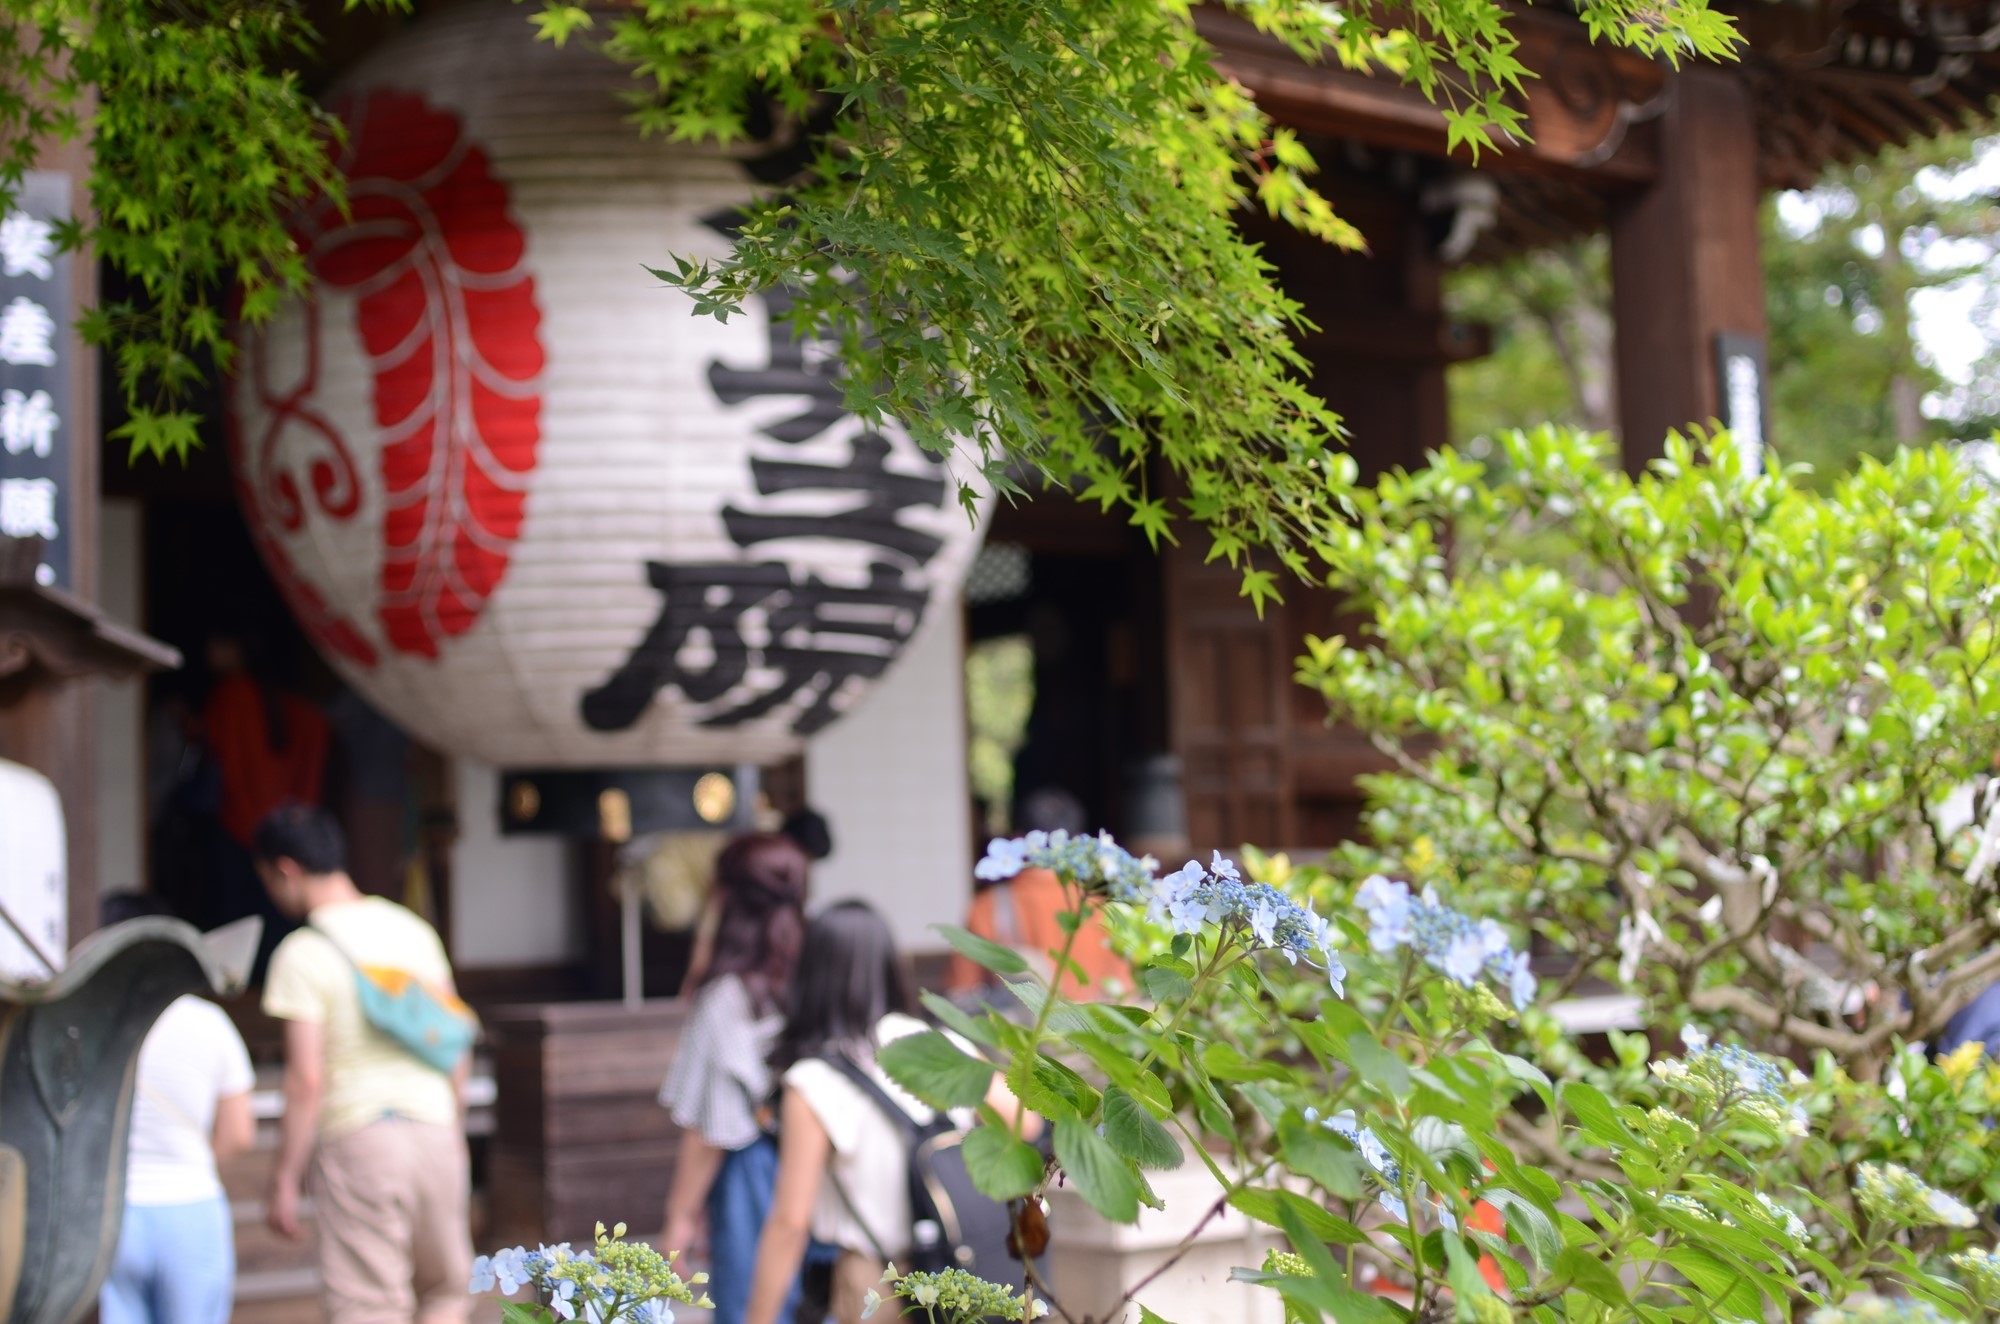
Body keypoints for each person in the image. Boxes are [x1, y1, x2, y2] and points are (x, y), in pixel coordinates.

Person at [743, 902, 1039, 1324]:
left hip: (878, 1285)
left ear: (810, 974)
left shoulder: (812, 1081)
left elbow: (790, 1222)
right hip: (962, 1271)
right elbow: (1023, 1122)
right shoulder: (934, 1040)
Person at [253, 803, 474, 1324]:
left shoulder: (303, 952)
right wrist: (452, 1124)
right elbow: (456, 1041)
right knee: (446, 1291)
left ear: (286, 869)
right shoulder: (412, 930)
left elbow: (307, 1079)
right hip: (437, 1131)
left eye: (267, 879)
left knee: (369, 1306)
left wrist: (284, 1177)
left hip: (361, 1136)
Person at [657, 834, 812, 1324]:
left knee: (756, 1309)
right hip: (827, 1165)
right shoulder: (817, 974)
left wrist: (678, 1221)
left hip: (756, 1175)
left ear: (725, 899)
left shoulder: (727, 996)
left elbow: (710, 1129)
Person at [98, 893, 257, 1324]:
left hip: (113, 1217)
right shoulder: (209, 1022)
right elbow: (239, 1133)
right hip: (190, 1205)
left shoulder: (95, 1023)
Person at [946, 786, 1130, 1003]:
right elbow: (1126, 994)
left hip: (1024, 1035)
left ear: (1017, 839)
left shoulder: (987, 907)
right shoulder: (1106, 913)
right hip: (1094, 1034)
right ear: (1078, 841)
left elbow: (961, 993)